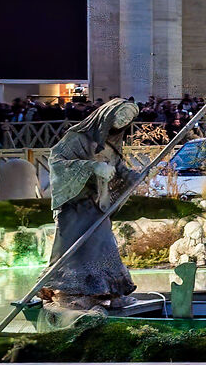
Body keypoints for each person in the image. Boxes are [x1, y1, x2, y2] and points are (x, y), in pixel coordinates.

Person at [43, 99, 142, 306]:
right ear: (108, 114)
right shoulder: (77, 138)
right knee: (74, 252)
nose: (124, 120)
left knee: (105, 247)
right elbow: (57, 162)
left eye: (129, 119)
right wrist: (91, 168)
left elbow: (116, 170)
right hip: (75, 205)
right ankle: (69, 293)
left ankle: (108, 293)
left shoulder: (111, 145)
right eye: (122, 115)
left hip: (96, 206)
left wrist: (131, 177)